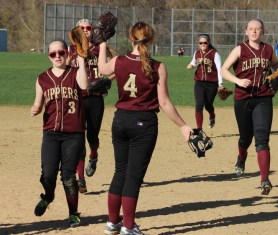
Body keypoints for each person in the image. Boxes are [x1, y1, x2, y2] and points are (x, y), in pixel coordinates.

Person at [98, 21, 193, 235]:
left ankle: (112, 222)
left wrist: (102, 43)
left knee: (120, 172)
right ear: (150, 40)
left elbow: (102, 69)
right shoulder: (157, 66)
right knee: (133, 176)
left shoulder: (119, 61)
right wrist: (183, 126)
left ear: (131, 38)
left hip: (120, 120)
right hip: (143, 123)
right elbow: (164, 103)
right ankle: (128, 227)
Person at [221, 19, 278, 195]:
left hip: (264, 98)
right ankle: (241, 157)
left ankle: (265, 179)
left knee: (262, 139)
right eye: (251, 29)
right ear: (246, 32)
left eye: (258, 29)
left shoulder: (268, 50)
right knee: (245, 138)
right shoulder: (240, 49)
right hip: (243, 99)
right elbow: (224, 70)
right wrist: (238, 80)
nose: (254, 31)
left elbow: (276, 64)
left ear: (262, 31)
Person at [31, 38, 88, 227]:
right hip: (51, 133)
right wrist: (36, 108)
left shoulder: (76, 73)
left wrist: (80, 57)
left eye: (61, 53)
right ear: (48, 56)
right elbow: (38, 102)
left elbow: (85, 86)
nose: (57, 56)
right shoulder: (42, 78)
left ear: (67, 54)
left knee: (69, 175)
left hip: (74, 133)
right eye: (53, 54)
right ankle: (48, 196)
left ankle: (73, 213)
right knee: (47, 174)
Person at [67, 19, 111, 194]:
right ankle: (81, 179)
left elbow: (112, 68)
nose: (85, 30)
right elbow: (64, 70)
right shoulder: (71, 50)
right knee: (78, 138)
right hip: (78, 97)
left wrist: (107, 80)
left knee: (92, 137)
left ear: (93, 31)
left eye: (88, 28)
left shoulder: (99, 48)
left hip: (95, 97)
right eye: (81, 28)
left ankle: (94, 155)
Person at [187, 34, 224, 130]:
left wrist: (220, 84)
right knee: (199, 105)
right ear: (198, 44)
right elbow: (194, 62)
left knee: (208, 106)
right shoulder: (197, 53)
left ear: (208, 43)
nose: (203, 44)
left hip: (211, 84)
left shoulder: (214, 54)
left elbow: (220, 69)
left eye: (205, 43)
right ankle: (199, 129)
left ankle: (212, 115)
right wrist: (191, 65)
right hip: (199, 82)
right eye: (201, 43)